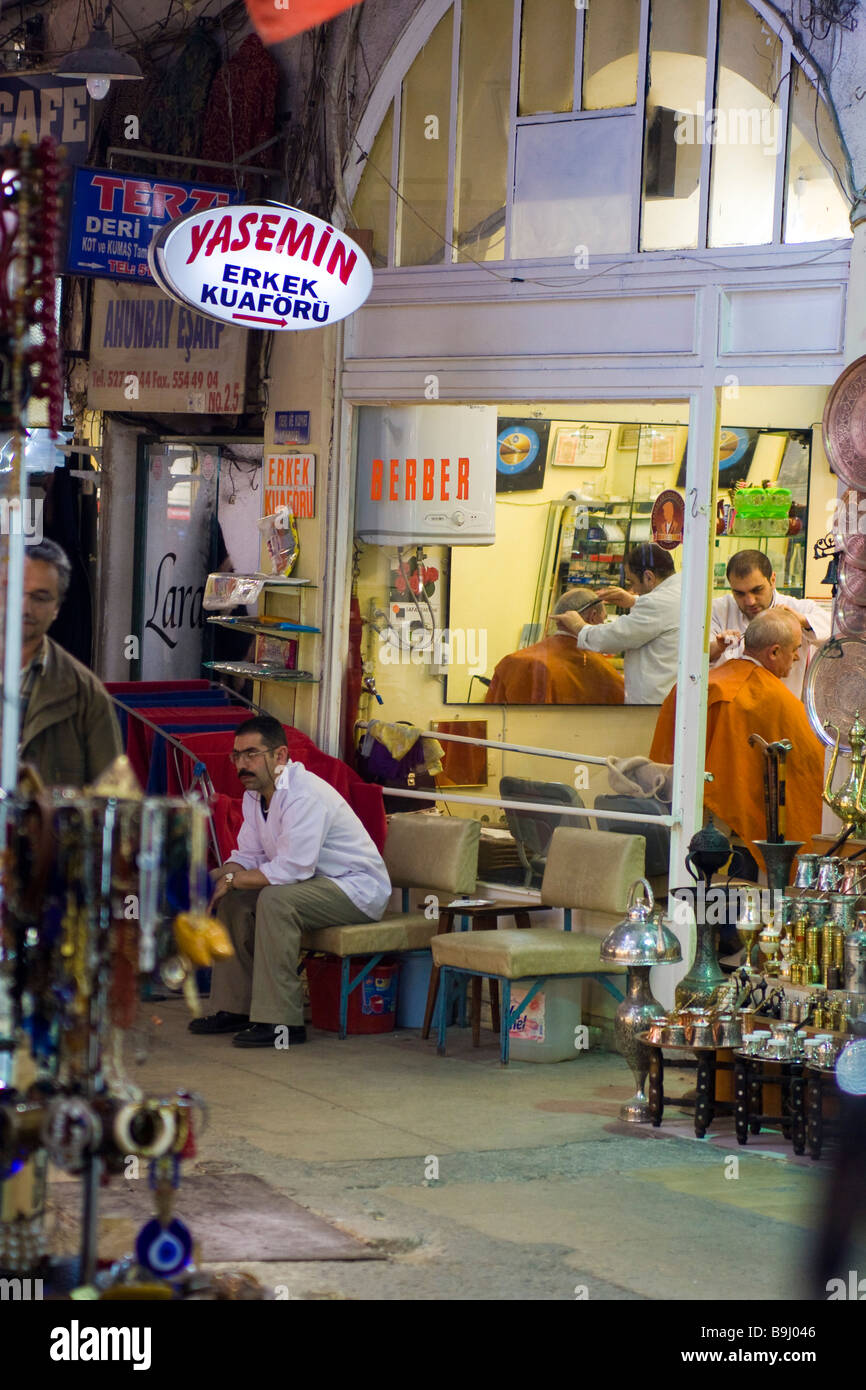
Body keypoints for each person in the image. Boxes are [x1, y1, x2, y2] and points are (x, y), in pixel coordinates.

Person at [190, 715, 392, 1048]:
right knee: (227, 892)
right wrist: (222, 877)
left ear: (280, 756)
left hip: (355, 889)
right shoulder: (257, 794)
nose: (242, 764)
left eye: (251, 754)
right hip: (312, 885)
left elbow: (292, 869)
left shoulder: (305, 794)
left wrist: (234, 879)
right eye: (237, 756)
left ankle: (281, 1022)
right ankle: (235, 1007)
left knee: (275, 900)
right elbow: (249, 854)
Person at [650, 610, 824, 873]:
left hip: (681, 798)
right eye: (796, 649)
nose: (798, 656)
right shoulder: (771, 697)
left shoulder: (700, 682)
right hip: (723, 808)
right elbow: (811, 763)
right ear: (774, 652)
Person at [18, 539, 122, 786]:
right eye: (13, 591)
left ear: (56, 608)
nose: (25, 607)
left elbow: (114, 802)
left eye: (40, 597)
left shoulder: (87, 695)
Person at [556, 542, 682, 704]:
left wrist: (579, 627)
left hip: (652, 703)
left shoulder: (657, 603)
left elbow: (614, 638)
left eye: (632, 582)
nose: (633, 590)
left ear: (649, 577)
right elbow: (661, 615)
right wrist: (634, 602)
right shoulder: (681, 591)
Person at [710, 549, 831, 699]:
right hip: (733, 713)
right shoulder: (718, 610)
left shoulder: (801, 608)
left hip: (781, 712)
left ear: (773, 580)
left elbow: (836, 634)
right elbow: (697, 659)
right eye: (739, 593)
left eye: (757, 590)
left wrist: (801, 621)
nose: (750, 601)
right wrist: (718, 647)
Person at [485, 589, 625, 704]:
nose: (604, 625)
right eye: (604, 619)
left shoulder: (512, 661)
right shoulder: (602, 672)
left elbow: (487, 722)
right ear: (593, 617)